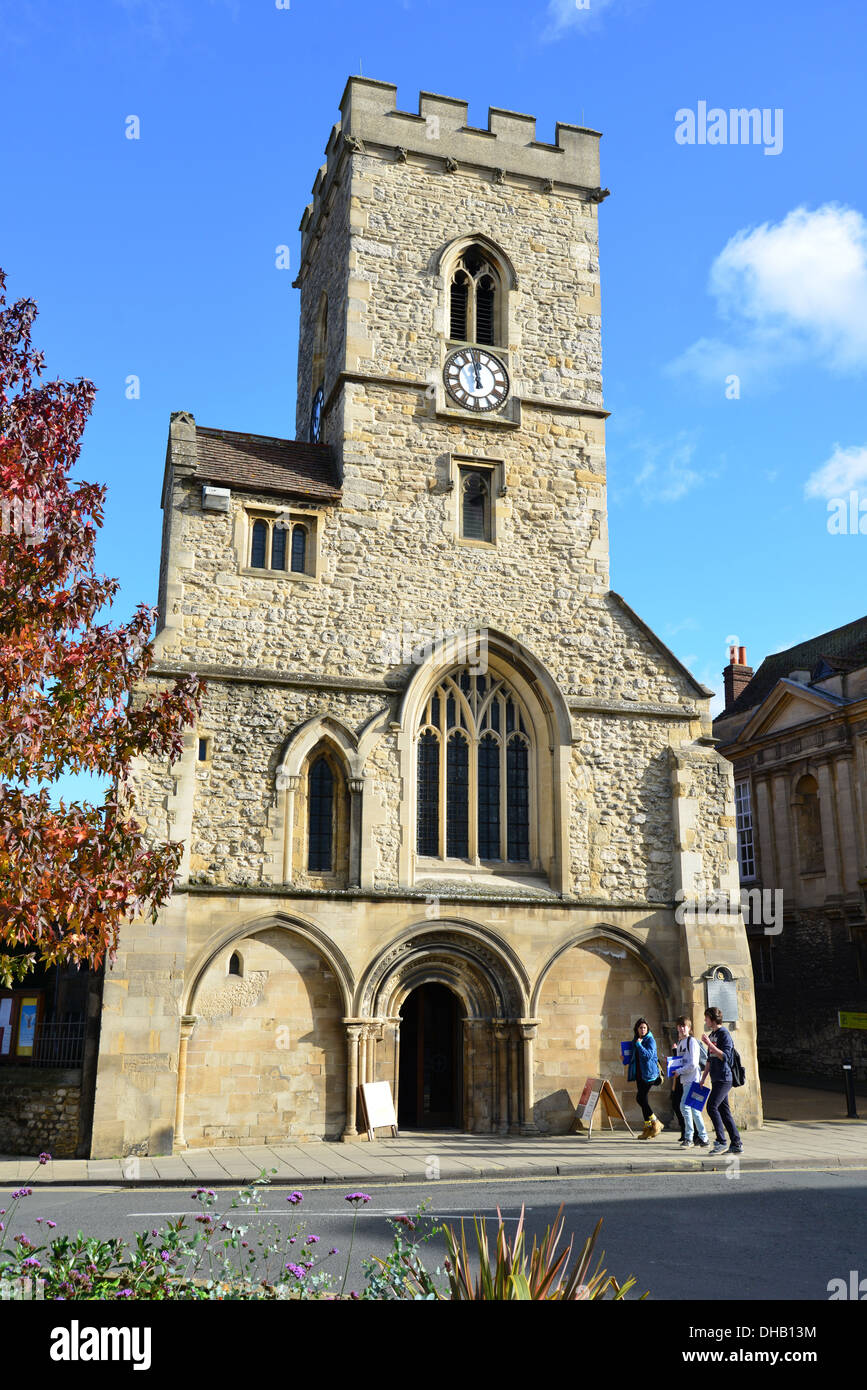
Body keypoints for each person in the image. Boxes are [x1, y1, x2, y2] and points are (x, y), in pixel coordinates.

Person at [701, 1007, 743, 1156]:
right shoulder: (712, 1034)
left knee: (712, 1106)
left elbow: (725, 1057)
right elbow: (709, 1059)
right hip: (716, 1078)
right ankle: (736, 1143)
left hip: (725, 1078)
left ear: (712, 1019)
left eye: (706, 1018)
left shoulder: (724, 1034)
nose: (705, 1020)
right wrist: (703, 1078)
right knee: (724, 1112)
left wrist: (710, 1044)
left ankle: (721, 1142)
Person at [673, 1015, 709, 1150]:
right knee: (694, 1110)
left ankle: (689, 1138)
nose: (682, 1028)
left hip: (693, 1079)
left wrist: (679, 1071)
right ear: (677, 1028)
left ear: (689, 1028)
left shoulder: (691, 1041)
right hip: (686, 1080)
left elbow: (693, 1064)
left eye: (685, 1026)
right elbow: (681, 1062)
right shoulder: (681, 1043)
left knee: (684, 1106)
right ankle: (704, 1138)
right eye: (680, 1026)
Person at [625, 1017, 663, 1139]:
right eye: (640, 1028)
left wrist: (640, 1045)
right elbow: (633, 1056)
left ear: (647, 1029)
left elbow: (647, 1056)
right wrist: (624, 1058)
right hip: (639, 1074)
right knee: (643, 1099)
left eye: (644, 1028)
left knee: (640, 1098)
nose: (642, 1030)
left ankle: (656, 1122)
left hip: (649, 1074)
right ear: (636, 1029)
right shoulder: (636, 1040)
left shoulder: (649, 1040)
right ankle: (648, 1129)